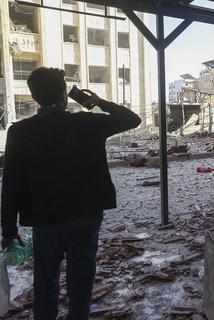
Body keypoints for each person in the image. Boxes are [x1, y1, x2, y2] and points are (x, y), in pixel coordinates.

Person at [0, 67, 141, 320]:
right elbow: (132, 119)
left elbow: (11, 184)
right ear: (64, 95)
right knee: (81, 279)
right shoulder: (87, 123)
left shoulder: (19, 132)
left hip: (45, 221)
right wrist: (98, 102)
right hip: (85, 216)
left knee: (45, 282)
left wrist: (9, 231)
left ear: (34, 97)